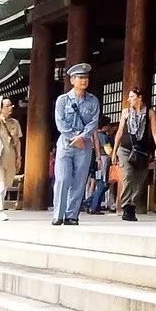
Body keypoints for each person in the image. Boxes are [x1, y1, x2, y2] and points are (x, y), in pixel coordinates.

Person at [52, 64, 101, 226]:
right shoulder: (62, 100)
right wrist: (75, 137)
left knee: (79, 182)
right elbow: (60, 122)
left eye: (86, 78)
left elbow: (93, 123)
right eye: (80, 78)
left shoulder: (93, 101)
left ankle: (72, 215)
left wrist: (83, 136)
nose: (84, 81)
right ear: (72, 80)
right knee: (63, 179)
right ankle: (58, 214)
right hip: (66, 145)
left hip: (84, 147)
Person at [115, 89, 153, 221]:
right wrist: (114, 151)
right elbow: (119, 132)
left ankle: (132, 206)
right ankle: (126, 206)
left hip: (142, 150)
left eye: (132, 97)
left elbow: (154, 131)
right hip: (125, 149)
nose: (129, 99)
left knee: (139, 179)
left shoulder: (149, 112)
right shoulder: (126, 112)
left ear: (139, 98)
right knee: (128, 176)